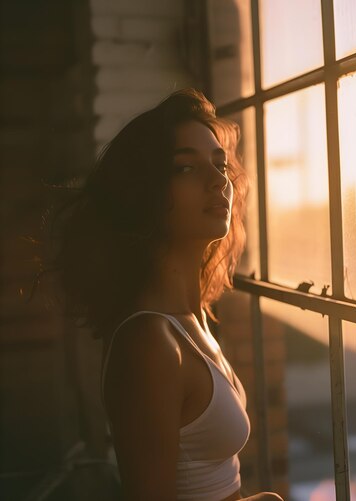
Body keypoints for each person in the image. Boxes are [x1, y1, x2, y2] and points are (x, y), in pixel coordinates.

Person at [35, 88, 283, 501]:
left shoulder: (195, 316)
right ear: (144, 194)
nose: (218, 179)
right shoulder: (150, 343)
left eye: (220, 165)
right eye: (186, 168)